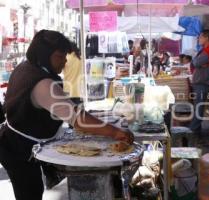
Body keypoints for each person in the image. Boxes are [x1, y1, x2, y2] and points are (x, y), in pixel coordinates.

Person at [0, 30, 134, 200]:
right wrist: (116, 132)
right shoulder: (42, 84)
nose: (64, 61)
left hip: (21, 141)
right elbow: (78, 120)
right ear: (44, 55)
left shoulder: (26, 66)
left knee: (34, 189)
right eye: (59, 56)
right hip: (16, 148)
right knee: (30, 192)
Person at [189, 29, 209, 134]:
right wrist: (197, 62)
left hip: (202, 82)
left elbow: (196, 62)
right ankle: (195, 130)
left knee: (199, 107)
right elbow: (195, 62)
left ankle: (193, 131)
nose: (199, 39)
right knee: (199, 106)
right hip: (201, 82)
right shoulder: (205, 49)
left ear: (207, 38)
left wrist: (197, 62)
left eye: (201, 37)